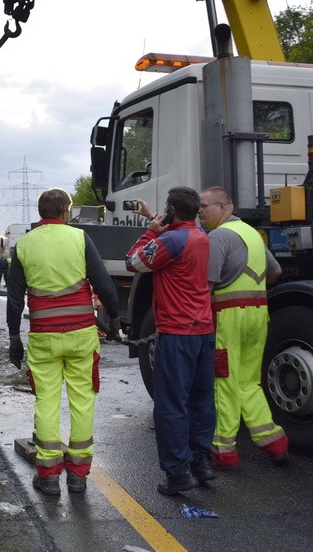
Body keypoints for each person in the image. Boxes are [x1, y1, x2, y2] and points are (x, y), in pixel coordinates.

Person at [6, 189, 121, 496]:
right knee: (82, 401)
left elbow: (15, 298)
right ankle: (78, 476)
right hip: (82, 335)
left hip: (44, 336)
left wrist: (14, 337)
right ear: (66, 212)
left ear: (41, 212)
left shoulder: (24, 245)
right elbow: (104, 285)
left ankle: (48, 476)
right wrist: (116, 319)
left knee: (46, 401)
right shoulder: (80, 239)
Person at [126, 187, 215, 496]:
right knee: (201, 400)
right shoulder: (199, 236)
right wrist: (154, 217)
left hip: (177, 333)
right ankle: (202, 463)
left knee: (171, 405)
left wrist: (149, 231)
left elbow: (133, 262)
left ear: (173, 212)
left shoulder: (169, 241)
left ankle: (177, 473)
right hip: (204, 330)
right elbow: (176, 233)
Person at [199, 186, 289, 468]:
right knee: (249, 381)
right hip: (259, 313)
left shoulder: (218, 237)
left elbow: (207, 286)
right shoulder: (252, 233)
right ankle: (274, 440)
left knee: (224, 380)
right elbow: (275, 272)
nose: (200, 211)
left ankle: (223, 450)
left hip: (230, 316)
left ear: (223, 207)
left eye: (204, 206)